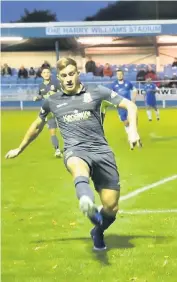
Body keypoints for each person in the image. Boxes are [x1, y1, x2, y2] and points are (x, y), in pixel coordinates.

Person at [5, 58, 142, 251]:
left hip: (102, 152)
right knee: (78, 167)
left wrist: (133, 131)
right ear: (58, 78)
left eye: (71, 74)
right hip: (75, 150)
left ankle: (98, 231)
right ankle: (85, 201)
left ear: (78, 73)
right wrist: (20, 147)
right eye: (63, 75)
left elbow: (131, 106)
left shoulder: (97, 92)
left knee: (111, 208)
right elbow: (37, 125)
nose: (68, 79)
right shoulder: (52, 101)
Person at [33, 67, 63, 157]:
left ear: (50, 74)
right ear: (41, 75)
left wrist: (56, 94)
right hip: (49, 112)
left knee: (67, 130)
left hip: (60, 110)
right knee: (52, 131)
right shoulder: (41, 86)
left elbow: (63, 93)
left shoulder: (56, 83)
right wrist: (37, 98)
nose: (46, 74)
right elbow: (40, 95)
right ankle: (57, 150)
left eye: (48, 72)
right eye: (44, 72)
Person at [110, 69, 138, 144]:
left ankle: (132, 138)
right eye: (118, 74)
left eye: (121, 74)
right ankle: (131, 135)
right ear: (116, 75)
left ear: (123, 75)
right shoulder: (114, 85)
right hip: (120, 105)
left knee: (131, 120)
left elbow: (135, 90)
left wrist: (133, 100)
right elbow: (111, 94)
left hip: (128, 105)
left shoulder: (128, 83)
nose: (119, 75)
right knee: (125, 122)